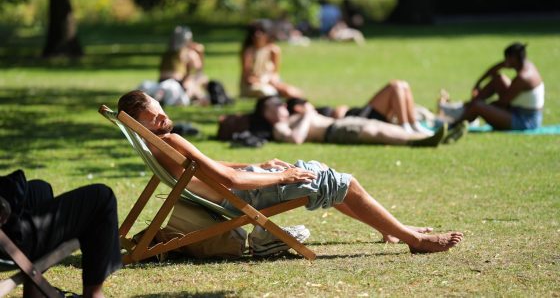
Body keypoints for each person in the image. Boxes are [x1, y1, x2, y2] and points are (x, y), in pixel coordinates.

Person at [117, 90, 464, 254]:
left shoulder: (159, 143)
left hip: (237, 188)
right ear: (139, 123)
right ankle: (413, 240)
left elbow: (215, 171)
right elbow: (232, 182)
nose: (162, 118)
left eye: (160, 111)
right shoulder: (171, 140)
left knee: (324, 170)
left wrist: (264, 166)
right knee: (343, 182)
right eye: (154, 117)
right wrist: (282, 178)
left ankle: (391, 230)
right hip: (242, 195)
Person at [0, 170, 121, 298]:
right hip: (7, 237)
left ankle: (33, 289)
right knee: (101, 198)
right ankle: (93, 294)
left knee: (39, 189)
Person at [252, 96, 467, 147]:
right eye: (276, 106)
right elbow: (295, 140)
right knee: (377, 132)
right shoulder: (279, 127)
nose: (282, 106)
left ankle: (432, 138)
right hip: (333, 131)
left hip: (339, 124)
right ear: (266, 113)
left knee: (383, 127)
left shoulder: (291, 117)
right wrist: (308, 115)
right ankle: (420, 141)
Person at [288, 80, 437, 136]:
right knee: (394, 86)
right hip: (361, 118)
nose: (310, 105)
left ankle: (414, 125)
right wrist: (339, 111)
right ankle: (406, 127)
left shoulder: (312, 113)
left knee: (403, 86)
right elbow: (334, 122)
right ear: (298, 108)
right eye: (306, 103)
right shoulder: (310, 116)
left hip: (362, 113)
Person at [452, 42, 544, 130]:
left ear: (513, 58)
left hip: (525, 121)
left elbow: (502, 102)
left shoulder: (523, 77)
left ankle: (454, 124)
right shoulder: (525, 64)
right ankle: (466, 111)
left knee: (477, 106)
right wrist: (478, 83)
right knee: (498, 79)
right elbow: (495, 68)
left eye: (507, 58)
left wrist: (482, 106)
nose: (505, 61)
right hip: (515, 109)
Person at [240, 19, 304, 99]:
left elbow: (275, 73)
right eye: (255, 32)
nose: (258, 35)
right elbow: (247, 78)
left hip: (270, 81)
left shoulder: (274, 50)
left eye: (261, 31)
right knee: (267, 91)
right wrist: (262, 81)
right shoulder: (249, 52)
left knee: (291, 92)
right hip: (254, 85)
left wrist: (272, 80)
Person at [158, 25, 209, 105]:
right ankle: (203, 98)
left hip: (161, 82)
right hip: (178, 83)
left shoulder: (167, 53)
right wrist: (201, 53)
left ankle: (197, 98)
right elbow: (199, 70)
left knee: (191, 80)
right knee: (201, 78)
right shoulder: (188, 53)